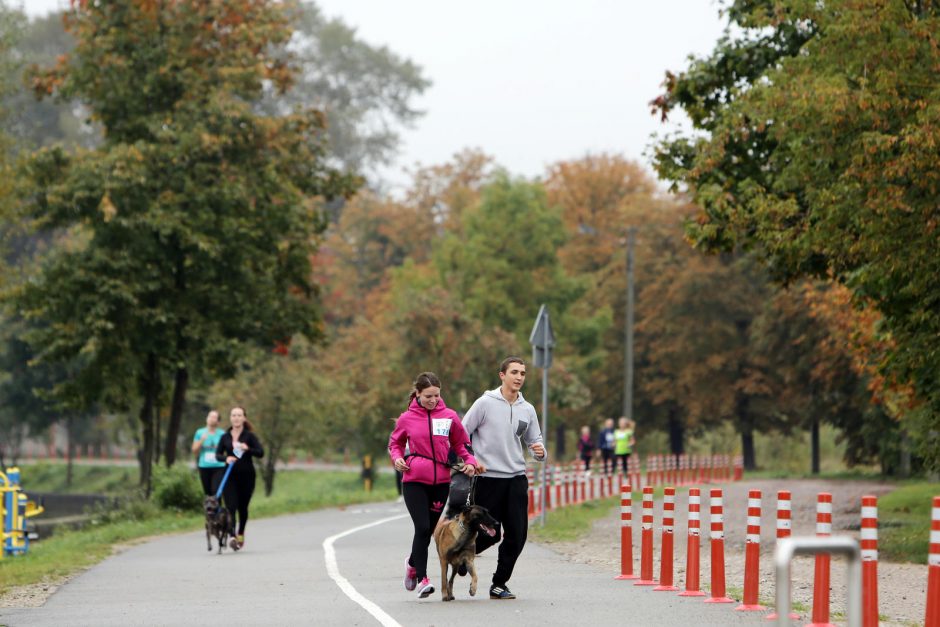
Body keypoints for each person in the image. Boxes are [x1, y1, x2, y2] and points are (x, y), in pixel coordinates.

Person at [462, 356, 546, 600]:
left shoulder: (527, 409)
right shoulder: (484, 403)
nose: (519, 377)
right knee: (491, 533)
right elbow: (461, 434)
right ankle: (461, 555)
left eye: (522, 373)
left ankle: (499, 584)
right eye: (514, 372)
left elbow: (534, 440)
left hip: (516, 479)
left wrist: (540, 451)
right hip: (488, 479)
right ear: (502, 375)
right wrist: (471, 460)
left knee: (518, 534)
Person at [388, 372, 478, 599]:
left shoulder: (448, 416)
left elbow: (461, 443)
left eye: (436, 395)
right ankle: (423, 580)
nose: (433, 400)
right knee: (422, 528)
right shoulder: (406, 418)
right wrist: (397, 458)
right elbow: (395, 443)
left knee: (428, 530)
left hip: (441, 482)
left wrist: (470, 462)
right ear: (417, 393)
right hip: (414, 480)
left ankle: (411, 562)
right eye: (428, 396)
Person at [215, 406, 264, 551]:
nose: (236, 418)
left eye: (239, 415)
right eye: (234, 415)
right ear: (230, 418)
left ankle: (240, 532)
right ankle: (232, 536)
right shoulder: (225, 437)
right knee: (231, 507)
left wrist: (247, 448)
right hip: (229, 477)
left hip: (247, 477)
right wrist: (226, 458)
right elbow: (217, 455)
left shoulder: (249, 436)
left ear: (244, 418)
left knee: (243, 508)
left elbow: (261, 453)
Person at [191, 410, 226, 496]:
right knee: (208, 493)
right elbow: (194, 450)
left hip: (219, 466)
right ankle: (210, 509)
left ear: (218, 421)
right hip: (204, 466)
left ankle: (217, 508)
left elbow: (227, 449)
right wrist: (201, 440)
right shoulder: (199, 432)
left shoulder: (222, 434)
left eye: (214, 417)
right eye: (209, 416)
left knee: (216, 491)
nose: (211, 418)